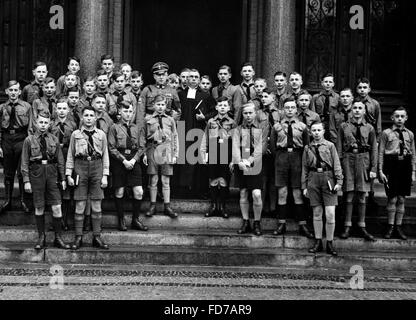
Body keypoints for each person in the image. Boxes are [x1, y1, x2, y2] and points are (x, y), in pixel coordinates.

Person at [21, 110, 70, 250]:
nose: (43, 125)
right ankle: (41, 237)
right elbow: (24, 162)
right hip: (36, 173)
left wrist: (63, 178)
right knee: (39, 206)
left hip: (52, 172)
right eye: (40, 122)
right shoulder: (29, 140)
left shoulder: (54, 139)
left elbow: (60, 161)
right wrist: (26, 181)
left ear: (50, 124)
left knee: (57, 206)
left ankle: (57, 237)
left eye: (45, 123)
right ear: (36, 123)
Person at [66, 106, 110, 250]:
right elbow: (70, 155)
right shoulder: (75, 134)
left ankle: (96, 236)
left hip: (97, 166)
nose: (89, 118)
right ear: (82, 117)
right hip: (80, 166)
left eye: (92, 115)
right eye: (86, 115)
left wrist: (105, 175)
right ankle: (78, 237)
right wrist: (68, 174)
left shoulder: (101, 135)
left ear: (96, 117)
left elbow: (105, 155)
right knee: (80, 204)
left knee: (97, 204)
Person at [270, 97, 313, 238]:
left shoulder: (302, 126)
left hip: (297, 158)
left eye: (292, 108)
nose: (289, 110)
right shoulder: (276, 127)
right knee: (282, 192)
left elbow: (307, 146)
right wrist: (279, 158)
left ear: (296, 109)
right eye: (287, 108)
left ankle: (302, 224)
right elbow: (272, 147)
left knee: (297, 193)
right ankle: (281, 224)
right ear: (283, 109)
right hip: (281, 158)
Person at [336, 100, 377, 241]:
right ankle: (347, 226)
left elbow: (374, 149)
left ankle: (362, 226)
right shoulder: (344, 126)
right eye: (355, 108)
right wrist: (339, 166)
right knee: (348, 194)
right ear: (351, 110)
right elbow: (339, 147)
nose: (357, 110)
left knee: (361, 195)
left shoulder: (370, 128)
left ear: (364, 111)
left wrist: (373, 168)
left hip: (363, 160)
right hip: (348, 159)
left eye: (360, 108)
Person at [302, 122, 343, 256]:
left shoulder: (330, 146)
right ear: (310, 132)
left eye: (319, 130)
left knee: (330, 213)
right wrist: (304, 186)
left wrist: (339, 181)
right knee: (317, 213)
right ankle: (318, 241)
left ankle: (330, 243)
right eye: (313, 130)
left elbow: (336, 164)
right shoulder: (307, 148)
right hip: (313, 179)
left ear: (324, 131)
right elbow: (304, 168)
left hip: (328, 178)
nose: (316, 132)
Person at [108, 101, 148, 232]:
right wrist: (124, 160)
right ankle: (121, 219)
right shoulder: (114, 127)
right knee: (119, 191)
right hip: (119, 161)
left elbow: (142, 147)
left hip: (134, 160)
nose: (128, 114)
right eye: (125, 111)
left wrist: (134, 160)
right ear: (119, 112)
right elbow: (111, 147)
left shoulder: (137, 127)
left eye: (130, 111)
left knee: (139, 191)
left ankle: (135, 219)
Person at [176, 69, 216, 196]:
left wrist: (204, 117)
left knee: (198, 159)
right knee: (183, 159)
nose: (193, 79)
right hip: (183, 128)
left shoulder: (205, 96)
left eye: (196, 77)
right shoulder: (180, 94)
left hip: (198, 130)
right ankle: (182, 190)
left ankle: (198, 190)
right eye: (191, 77)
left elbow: (214, 111)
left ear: (199, 80)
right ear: (186, 80)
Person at [378, 107, 416, 240]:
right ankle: (390, 226)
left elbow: (413, 154)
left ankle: (398, 226)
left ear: (406, 118)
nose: (399, 119)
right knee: (392, 198)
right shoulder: (386, 133)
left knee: (401, 198)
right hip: (391, 165)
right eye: (397, 116)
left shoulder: (409, 134)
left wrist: (413, 172)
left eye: (402, 116)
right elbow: (381, 152)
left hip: (405, 166)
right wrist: (380, 170)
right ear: (392, 118)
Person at [232, 103, 269, 236]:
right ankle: (246, 221)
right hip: (242, 160)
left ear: (255, 113)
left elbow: (262, 147)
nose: (248, 116)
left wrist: (250, 160)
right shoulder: (237, 129)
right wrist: (240, 161)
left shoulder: (262, 127)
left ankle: (257, 222)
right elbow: (235, 146)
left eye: (250, 113)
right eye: (245, 113)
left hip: (256, 161)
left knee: (256, 194)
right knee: (243, 193)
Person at [143, 95, 179, 218]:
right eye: (158, 104)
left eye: (163, 104)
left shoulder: (170, 120)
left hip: (166, 149)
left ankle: (167, 206)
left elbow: (175, 137)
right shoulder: (147, 119)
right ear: (153, 105)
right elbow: (143, 137)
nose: (160, 107)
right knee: (153, 179)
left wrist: (175, 154)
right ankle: (152, 205)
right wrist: (144, 153)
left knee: (165, 180)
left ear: (166, 106)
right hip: (152, 148)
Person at [201, 97, 235, 218]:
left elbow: (235, 142)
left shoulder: (232, 122)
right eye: (220, 105)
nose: (222, 107)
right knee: (214, 179)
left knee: (224, 180)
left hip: (226, 152)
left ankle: (222, 206)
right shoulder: (211, 122)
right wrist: (203, 153)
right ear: (216, 107)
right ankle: (214, 206)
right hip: (214, 151)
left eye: (225, 105)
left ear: (229, 108)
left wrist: (233, 159)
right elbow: (205, 138)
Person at [0, 80, 31, 214]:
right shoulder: (2, 107)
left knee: (21, 170)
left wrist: (30, 144)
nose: (13, 93)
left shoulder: (27, 106)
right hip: (6, 139)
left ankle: (23, 201)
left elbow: (30, 127)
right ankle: (8, 201)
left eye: (16, 90)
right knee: (8, 172)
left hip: (21, 138)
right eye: (10, 90)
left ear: (19, 92)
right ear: (7, 91)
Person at [49, 98, 78, 230]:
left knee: (66, 190)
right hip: (54, 157)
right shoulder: (51, 125)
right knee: (54, 189)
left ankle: (65, 221)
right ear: (55, 110)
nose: (61, 111)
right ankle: (55, 221)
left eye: (64, 108)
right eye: (59, 108)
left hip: (68, 155)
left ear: (68, 110)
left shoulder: (72, 125)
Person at [311, 73, 339, 139]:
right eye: (326, 82)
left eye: (330, 82)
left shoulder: (337, 97)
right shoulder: (316, 97)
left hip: (333, 124)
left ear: (333, 84)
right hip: (320, 123)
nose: (328, 84)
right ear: (322, 83)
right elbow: (313, 113)